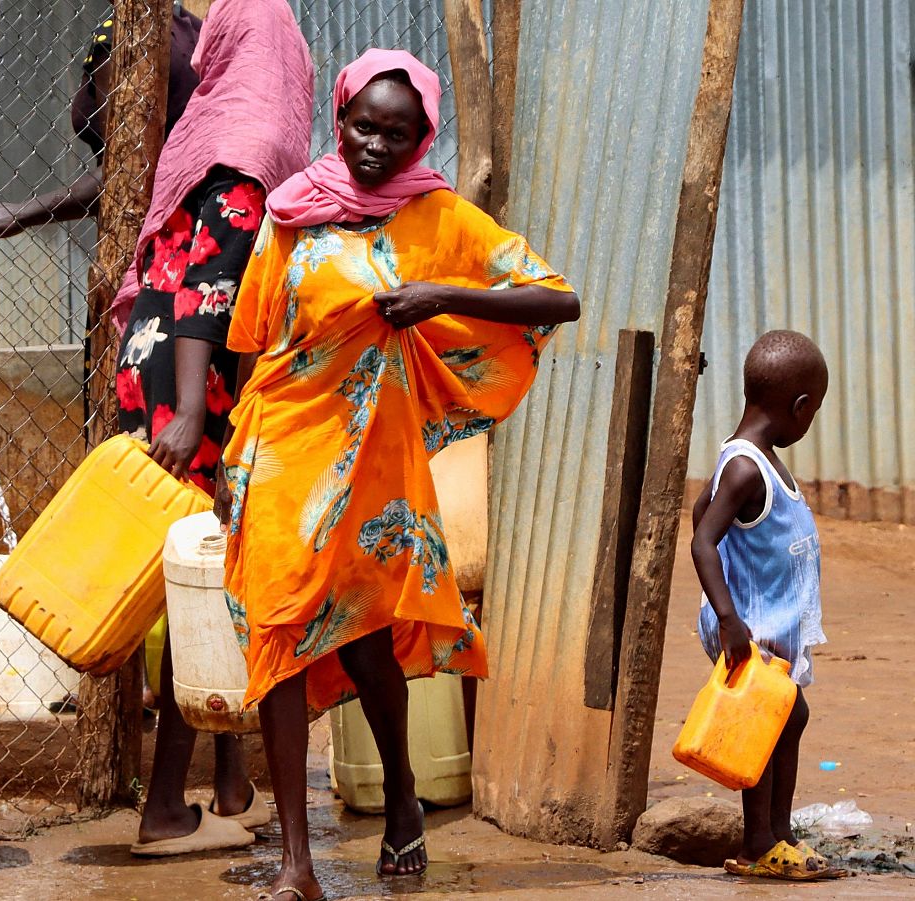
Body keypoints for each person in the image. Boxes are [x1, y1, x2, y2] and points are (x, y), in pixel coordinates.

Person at [223, 50, 578, 899]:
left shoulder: (441, 217)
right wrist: (235, 459)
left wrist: (439, 296)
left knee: (369, 636)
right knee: (275, 635)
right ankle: (296, 864)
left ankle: (403, 794)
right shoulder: (292, 211)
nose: (375, 144)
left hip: (373, 461)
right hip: (280, 449)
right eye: (361, 125)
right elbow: (252, 339)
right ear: (337, 116)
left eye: (397, 131)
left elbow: (555, 298)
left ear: (423, 136)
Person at [116, 0, 313, 858]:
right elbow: (213, 290)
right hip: (195, 389)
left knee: (216, 575)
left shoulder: (212, 126)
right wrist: (197, 411)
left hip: (158, 367)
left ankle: (231, 785)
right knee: (209, 585)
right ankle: (165, 806)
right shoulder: (254, 148)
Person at [690, 330, 846, 881]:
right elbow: (702, 538)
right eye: (814, 410)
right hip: (751, 623)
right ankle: (760, 840)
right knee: (768, 720)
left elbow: (698, 510)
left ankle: (776, 834)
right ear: (800, 406)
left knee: (787, 714)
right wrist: (729, 618)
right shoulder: (747, 467)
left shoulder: (756, 459)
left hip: (768, 619)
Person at [0, 0, 202, 247]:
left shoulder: (123, 34)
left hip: (164, 238)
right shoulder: (196, 31)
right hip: (207, 221)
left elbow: (125, 173)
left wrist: (21, 213)